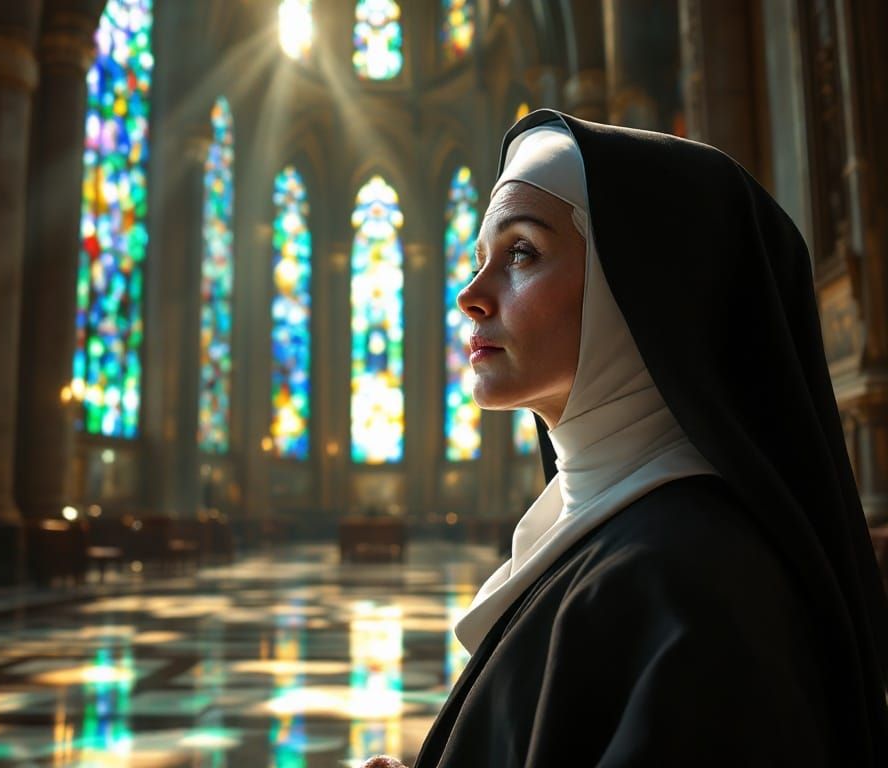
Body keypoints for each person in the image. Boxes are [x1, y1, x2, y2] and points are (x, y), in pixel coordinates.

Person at [363, 109, 888, 767]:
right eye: (479, 260)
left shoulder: (693, 587)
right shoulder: (609, 529)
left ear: (638, 288)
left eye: (521, 250)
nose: (471, 294)